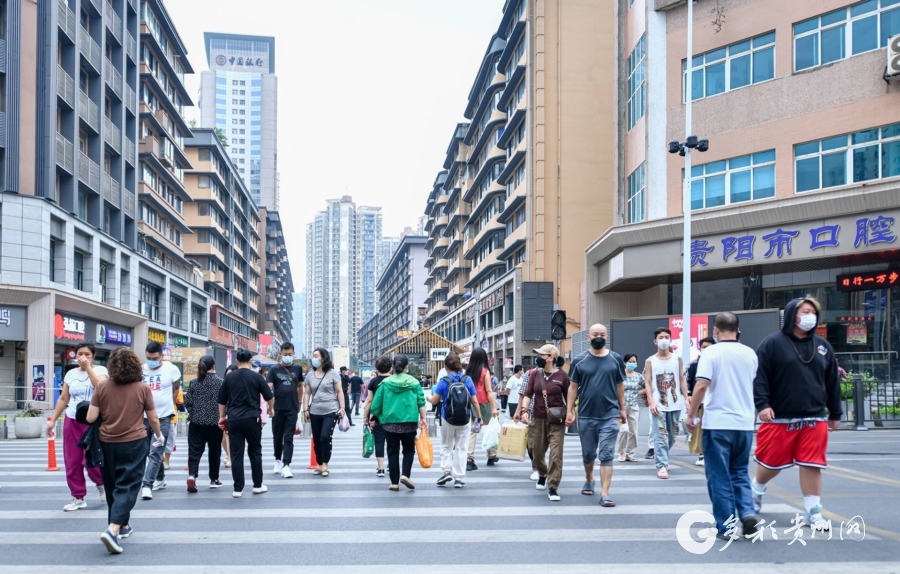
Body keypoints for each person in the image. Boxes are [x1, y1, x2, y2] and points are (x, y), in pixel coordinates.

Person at [752, 297, 841, 530]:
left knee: (812, 464)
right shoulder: (772, 343)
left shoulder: (823, 347)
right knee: (772, 464)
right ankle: (756, 489)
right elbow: (759, 377)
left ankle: (813, 513)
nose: (810, 316)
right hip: (779, 416)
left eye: (813, 312)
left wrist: (836, 413)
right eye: (805, 311)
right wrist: (762, 405)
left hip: (815, 417)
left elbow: (832, 381)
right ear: (792, 314)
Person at [686, 312, 760, 539]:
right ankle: (747, 512)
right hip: (745, 423)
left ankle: (726, 526)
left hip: (718, 423)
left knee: (719, 476)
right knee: (739, 472)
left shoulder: (711, 353)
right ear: (737, 330)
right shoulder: (750, 354)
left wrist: (690, 415)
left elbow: (700, 386)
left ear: (716, 331)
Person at [86, 348, 162, 554]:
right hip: (134, 443)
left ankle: (123, 526)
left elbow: (91, 418)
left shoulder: (102, 387)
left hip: (106, 443)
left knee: (113, 485)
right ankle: (112, 530)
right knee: (128, 486)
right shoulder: (142, 388)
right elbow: (153, 418)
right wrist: (159, 435)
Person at [566, 324, 626, 506]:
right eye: (595, 334)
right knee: (588, 454)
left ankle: (605, 492)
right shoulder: (579, 360)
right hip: (586, 414)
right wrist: (570, 410)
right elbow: (573, 387)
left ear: (606, 337)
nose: (599, 337)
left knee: (607, 454)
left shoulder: (615, 359)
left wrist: (622, 409)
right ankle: (589, 477)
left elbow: (620, 385)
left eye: (602, 334)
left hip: (610, 414)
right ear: (589, 337)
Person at [47, 344, 108, 511]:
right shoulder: (70, 374)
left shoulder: (101, 370)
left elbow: (101, 388)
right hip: (72, 419)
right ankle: (78, 496)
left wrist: (89, 368)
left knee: (92, 457)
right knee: (72, 460)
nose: (82, 357)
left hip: (93, 420)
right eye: (79, 353)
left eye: (87, 354)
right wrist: (53, 419)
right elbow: (63, 398)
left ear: (93, 356)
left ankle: (102, 484)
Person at [218, 350, 274, 498]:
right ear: (250, 361)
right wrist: (271, 409)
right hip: (252, 419)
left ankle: (237, 489)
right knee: (255, 451)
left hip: (234, 419)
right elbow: (269, 396)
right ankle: (257, 485)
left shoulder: (229, 378)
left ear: (237, 362)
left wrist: (222, 417)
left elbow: (222, 401)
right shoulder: (257, 377)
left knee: (236, 454)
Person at [370, 355, 427, 491]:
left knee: (392, 452)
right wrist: (423, 419)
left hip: (389, 422)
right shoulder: (414, 382)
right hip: (409, 421)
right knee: (408, 450)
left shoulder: (385, 383)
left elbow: (376, 405)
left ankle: (394, 482)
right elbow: (421, 402)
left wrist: (373, 417)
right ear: (406, 367)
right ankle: (405, 475)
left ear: (393, 367)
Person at [521, 344, 569, 502]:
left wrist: (571, 412)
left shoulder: (562, 376)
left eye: (542, 355)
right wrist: (523, 411)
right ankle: (542, 473)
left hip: (556, 420)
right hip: (537, 418)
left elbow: (569, 396)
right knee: (536, 452)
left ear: (551, 357)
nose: (538, 358)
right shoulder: (535, 374)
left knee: (556, 455)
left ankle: (553, 486)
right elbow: (527, 393)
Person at [428, 353, 480, 488]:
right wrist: (478, 417)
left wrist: (428, 398)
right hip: (465, 418)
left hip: (447, 418)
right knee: (461, 448)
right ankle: (459, 478)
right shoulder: (467, 379)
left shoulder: (444, 381)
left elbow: (434, 400)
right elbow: (474, 401)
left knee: (446, 445)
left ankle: (446, 472)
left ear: (446, 366)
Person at [644, 327, 690, 479]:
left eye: (667, 337)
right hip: (658, 403)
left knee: (672, 434)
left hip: (675, 404)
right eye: (661, 337)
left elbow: (681, 379)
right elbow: (648, 382)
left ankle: (662, 456)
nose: (664, 340)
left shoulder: (677, 359)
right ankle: (662, 465)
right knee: (661, 435)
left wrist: (686, 397)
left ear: (670, 339)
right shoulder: (650, 360)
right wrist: (651, 402)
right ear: (655, 341)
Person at [140, 342, 181, 500]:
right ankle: (160, 478)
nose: (151, 361)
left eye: (155, 358)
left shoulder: (171, 369)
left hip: (163, 416)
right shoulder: (141, 370)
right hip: (143, 417)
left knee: (156, 450)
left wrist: (169, 406)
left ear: (161, 356)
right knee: (147, 451)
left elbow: (175, 389)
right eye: (148, 358)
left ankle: (147, 485)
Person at [184, 356, 225, 492]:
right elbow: (226, 402)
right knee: (214, 451)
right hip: (215, 423)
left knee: (194, 451)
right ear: (213, 366)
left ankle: (192, 476)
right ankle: (214, 479)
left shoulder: (194, 383)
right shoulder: (221, 383)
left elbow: (188, 402)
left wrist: (194, 414)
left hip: (196, 423)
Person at [303, 348, 346, 476]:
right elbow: (307, 393)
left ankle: (325, 464)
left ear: (323, 358)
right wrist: (305, 409)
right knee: (316, 439)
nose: (314, 358)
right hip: (315, 411)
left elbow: (339, 392)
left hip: (331, 411)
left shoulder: (333, 374)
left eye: (316, 356)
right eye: (313, 356)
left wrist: (342, 408)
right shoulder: (310, 375)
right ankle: (319, 464)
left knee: (325, 437)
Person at [266, 342, 304, 479]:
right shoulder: (274, 369)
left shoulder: (298, 368)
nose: (287, 356)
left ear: (293, 354)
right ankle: (277, 460)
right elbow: (268, 387)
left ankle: (286, 464)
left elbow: (300, 386)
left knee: (289, 437)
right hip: (277, 408)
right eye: (285, 354)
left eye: (290, 354)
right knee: (277, 436)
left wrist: (300, 402)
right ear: (280, 354)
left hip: (292, 407)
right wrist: (268, 405)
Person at [465, 347, 500, 470]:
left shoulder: (468, 371)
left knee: (472, 431)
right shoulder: (485, 371)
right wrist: (494, 407)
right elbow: (489, 390)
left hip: (471, 403)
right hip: (484, 403)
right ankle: (491, 456)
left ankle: (469, 459)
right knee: (489, 429)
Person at [686, 337, 717, 466]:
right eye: (704, 347)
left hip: (715, 402)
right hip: (699, 402)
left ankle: (712, 454)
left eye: (710, 346)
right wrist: (689, 395)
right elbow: (689, 381)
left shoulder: (718, 363)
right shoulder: (694, 364)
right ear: (700, 348)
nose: (707, 349)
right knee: (699, 429)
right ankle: (701, 454)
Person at [363, 356, 393, 477]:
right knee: (392, 442)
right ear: (391, 367)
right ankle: (392, 465)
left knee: (379, 441)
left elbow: (369, 401)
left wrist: (366, 417)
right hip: (393, 415)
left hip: (377, 415)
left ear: (377, 368)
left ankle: (381, 468)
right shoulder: (394, 380)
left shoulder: (373, 382)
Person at [616, 354, 643, 463]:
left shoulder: (639, 376)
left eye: (634, 361)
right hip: (621, 406)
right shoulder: (620, 376)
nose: (632, 363)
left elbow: (648, 387)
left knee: (633, 431)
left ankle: (630, 454)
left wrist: (638, 393)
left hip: (634, 406)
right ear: (624, 362)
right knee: (624, 430)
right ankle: (621, 452)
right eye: (630, 361)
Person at [221, 364, 238, 468]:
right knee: (223, 439)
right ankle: (229, 455)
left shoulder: (239, 385)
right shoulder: (224, 385)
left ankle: (231, 458)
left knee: (229, 437)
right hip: (226, 414)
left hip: (235, 414)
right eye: (227, 375)